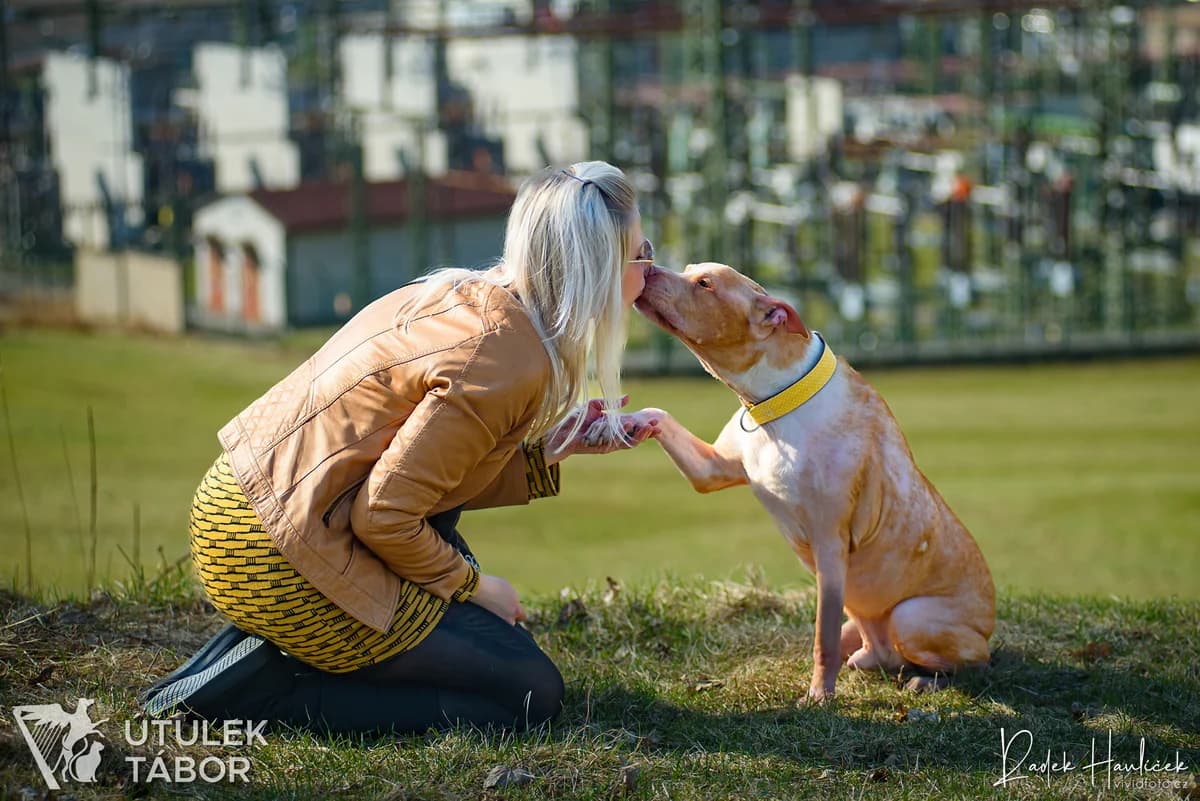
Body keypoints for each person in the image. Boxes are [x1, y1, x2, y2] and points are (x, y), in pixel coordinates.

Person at [140, 162, 661, 735]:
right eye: (642, 253)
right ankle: (262, 693)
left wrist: (551, 448)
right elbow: (386, 515)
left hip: (252, 511)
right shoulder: (507, 359)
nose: (650, 270)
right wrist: (477, 587)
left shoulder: (468, 296)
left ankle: (268, 648)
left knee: (492, 655)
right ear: (596, 267)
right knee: (532, 694)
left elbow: (423, 474)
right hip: (281, 552)